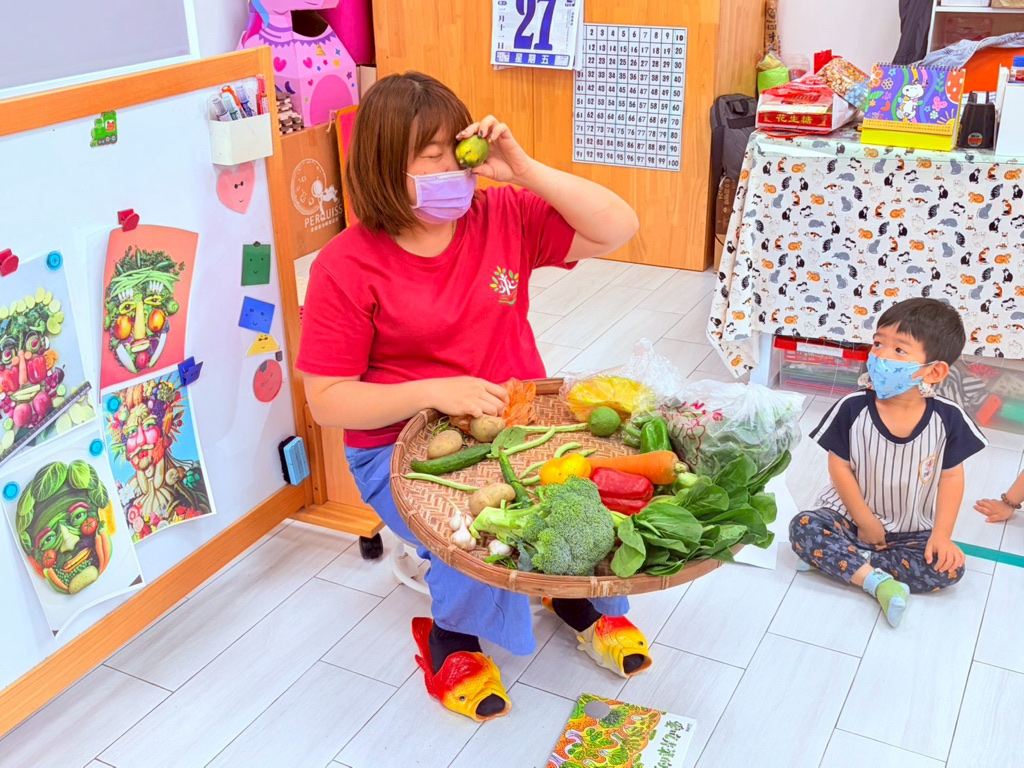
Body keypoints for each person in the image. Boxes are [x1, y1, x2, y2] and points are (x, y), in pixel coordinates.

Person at [296, 72, 644, 722]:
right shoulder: (345, 265)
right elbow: (329, 401)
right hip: (401, 449)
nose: (451, 169)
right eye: (428, 156)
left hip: (520, 425)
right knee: (478, 531)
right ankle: (451, 637)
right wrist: (432, 391)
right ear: (383, 164)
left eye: (455, 151)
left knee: (589, 494)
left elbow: (618, 226)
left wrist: (526, 171)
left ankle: (575, 596)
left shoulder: (501, 215)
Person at [790, 298, 987, 628]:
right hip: (850, 518)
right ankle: (878, 582)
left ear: (934, 371)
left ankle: (843, 561)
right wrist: (865, 521)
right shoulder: (852, 408)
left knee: (950, 568)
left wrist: (942, 536)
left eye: (899, 350)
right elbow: (839, 467)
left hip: (911, 529)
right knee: (804, 526)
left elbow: (952, 479)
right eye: (878, 343)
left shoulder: (949, 419)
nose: (880, 356)